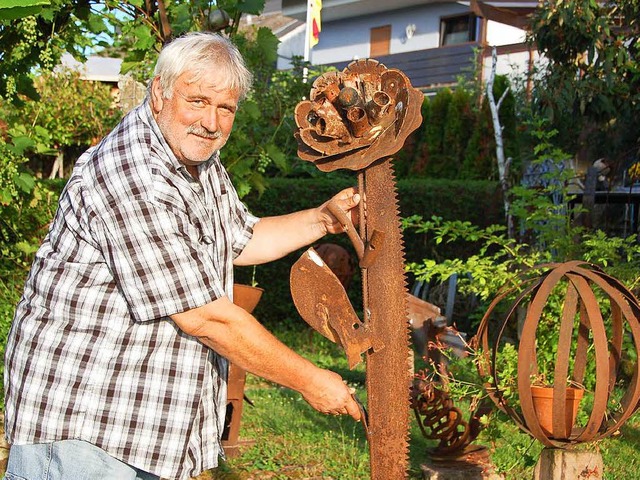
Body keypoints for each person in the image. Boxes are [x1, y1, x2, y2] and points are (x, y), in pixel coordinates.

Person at [3, 31, 362, 480]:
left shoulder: (196, 162)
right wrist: (310, 379)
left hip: (134, 424)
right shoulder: (131, 173)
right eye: (196, 101)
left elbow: (241, 238)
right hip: (84, 428)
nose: (211, 122)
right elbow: (204, 317)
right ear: (159, 93)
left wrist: (321, 220)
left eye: (225, 108)